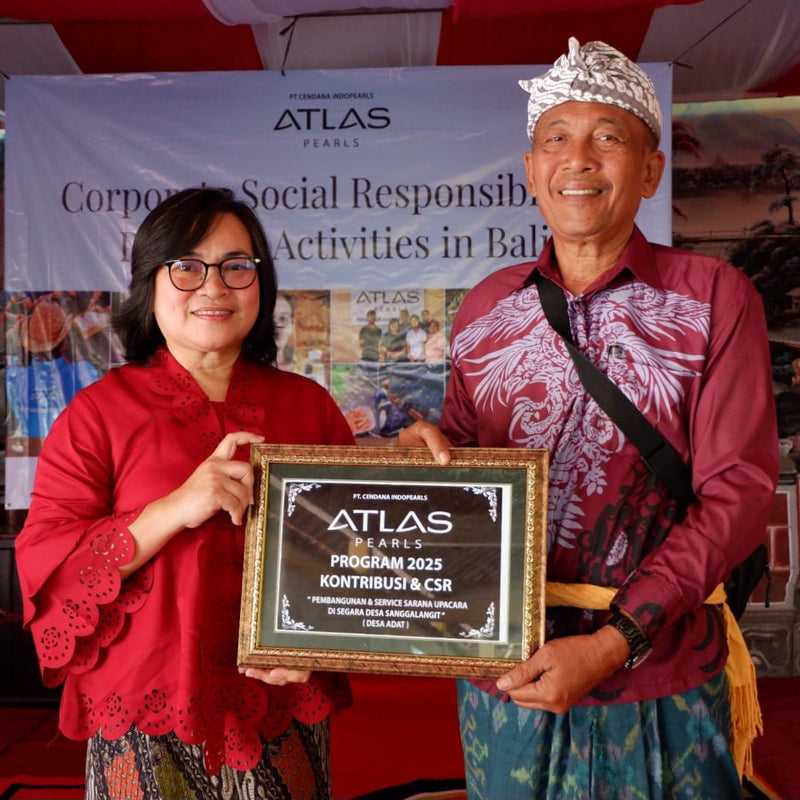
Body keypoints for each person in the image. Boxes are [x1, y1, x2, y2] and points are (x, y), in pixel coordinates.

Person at [399, 38, 778, 800]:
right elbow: (465, 469)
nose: (579, 158)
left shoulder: (713, 297)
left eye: (608, 136)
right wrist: (418, 457)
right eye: (556, 139)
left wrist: (614, 643)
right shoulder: (485, 306)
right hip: (506, 674)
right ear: (532, 169)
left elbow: (738, 494)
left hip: (660, 673)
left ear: (649, 170)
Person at [15, 187, 355, 800]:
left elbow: (352, 556)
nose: (214, 287)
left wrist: (326, 639)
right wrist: (176, 506)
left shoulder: (309, 407)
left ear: (261, 283)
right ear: (151, 283)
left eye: (236, 266)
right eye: (187, 267)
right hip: (142, 704)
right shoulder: (99, 414)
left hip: (278, 695)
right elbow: (50, 563)